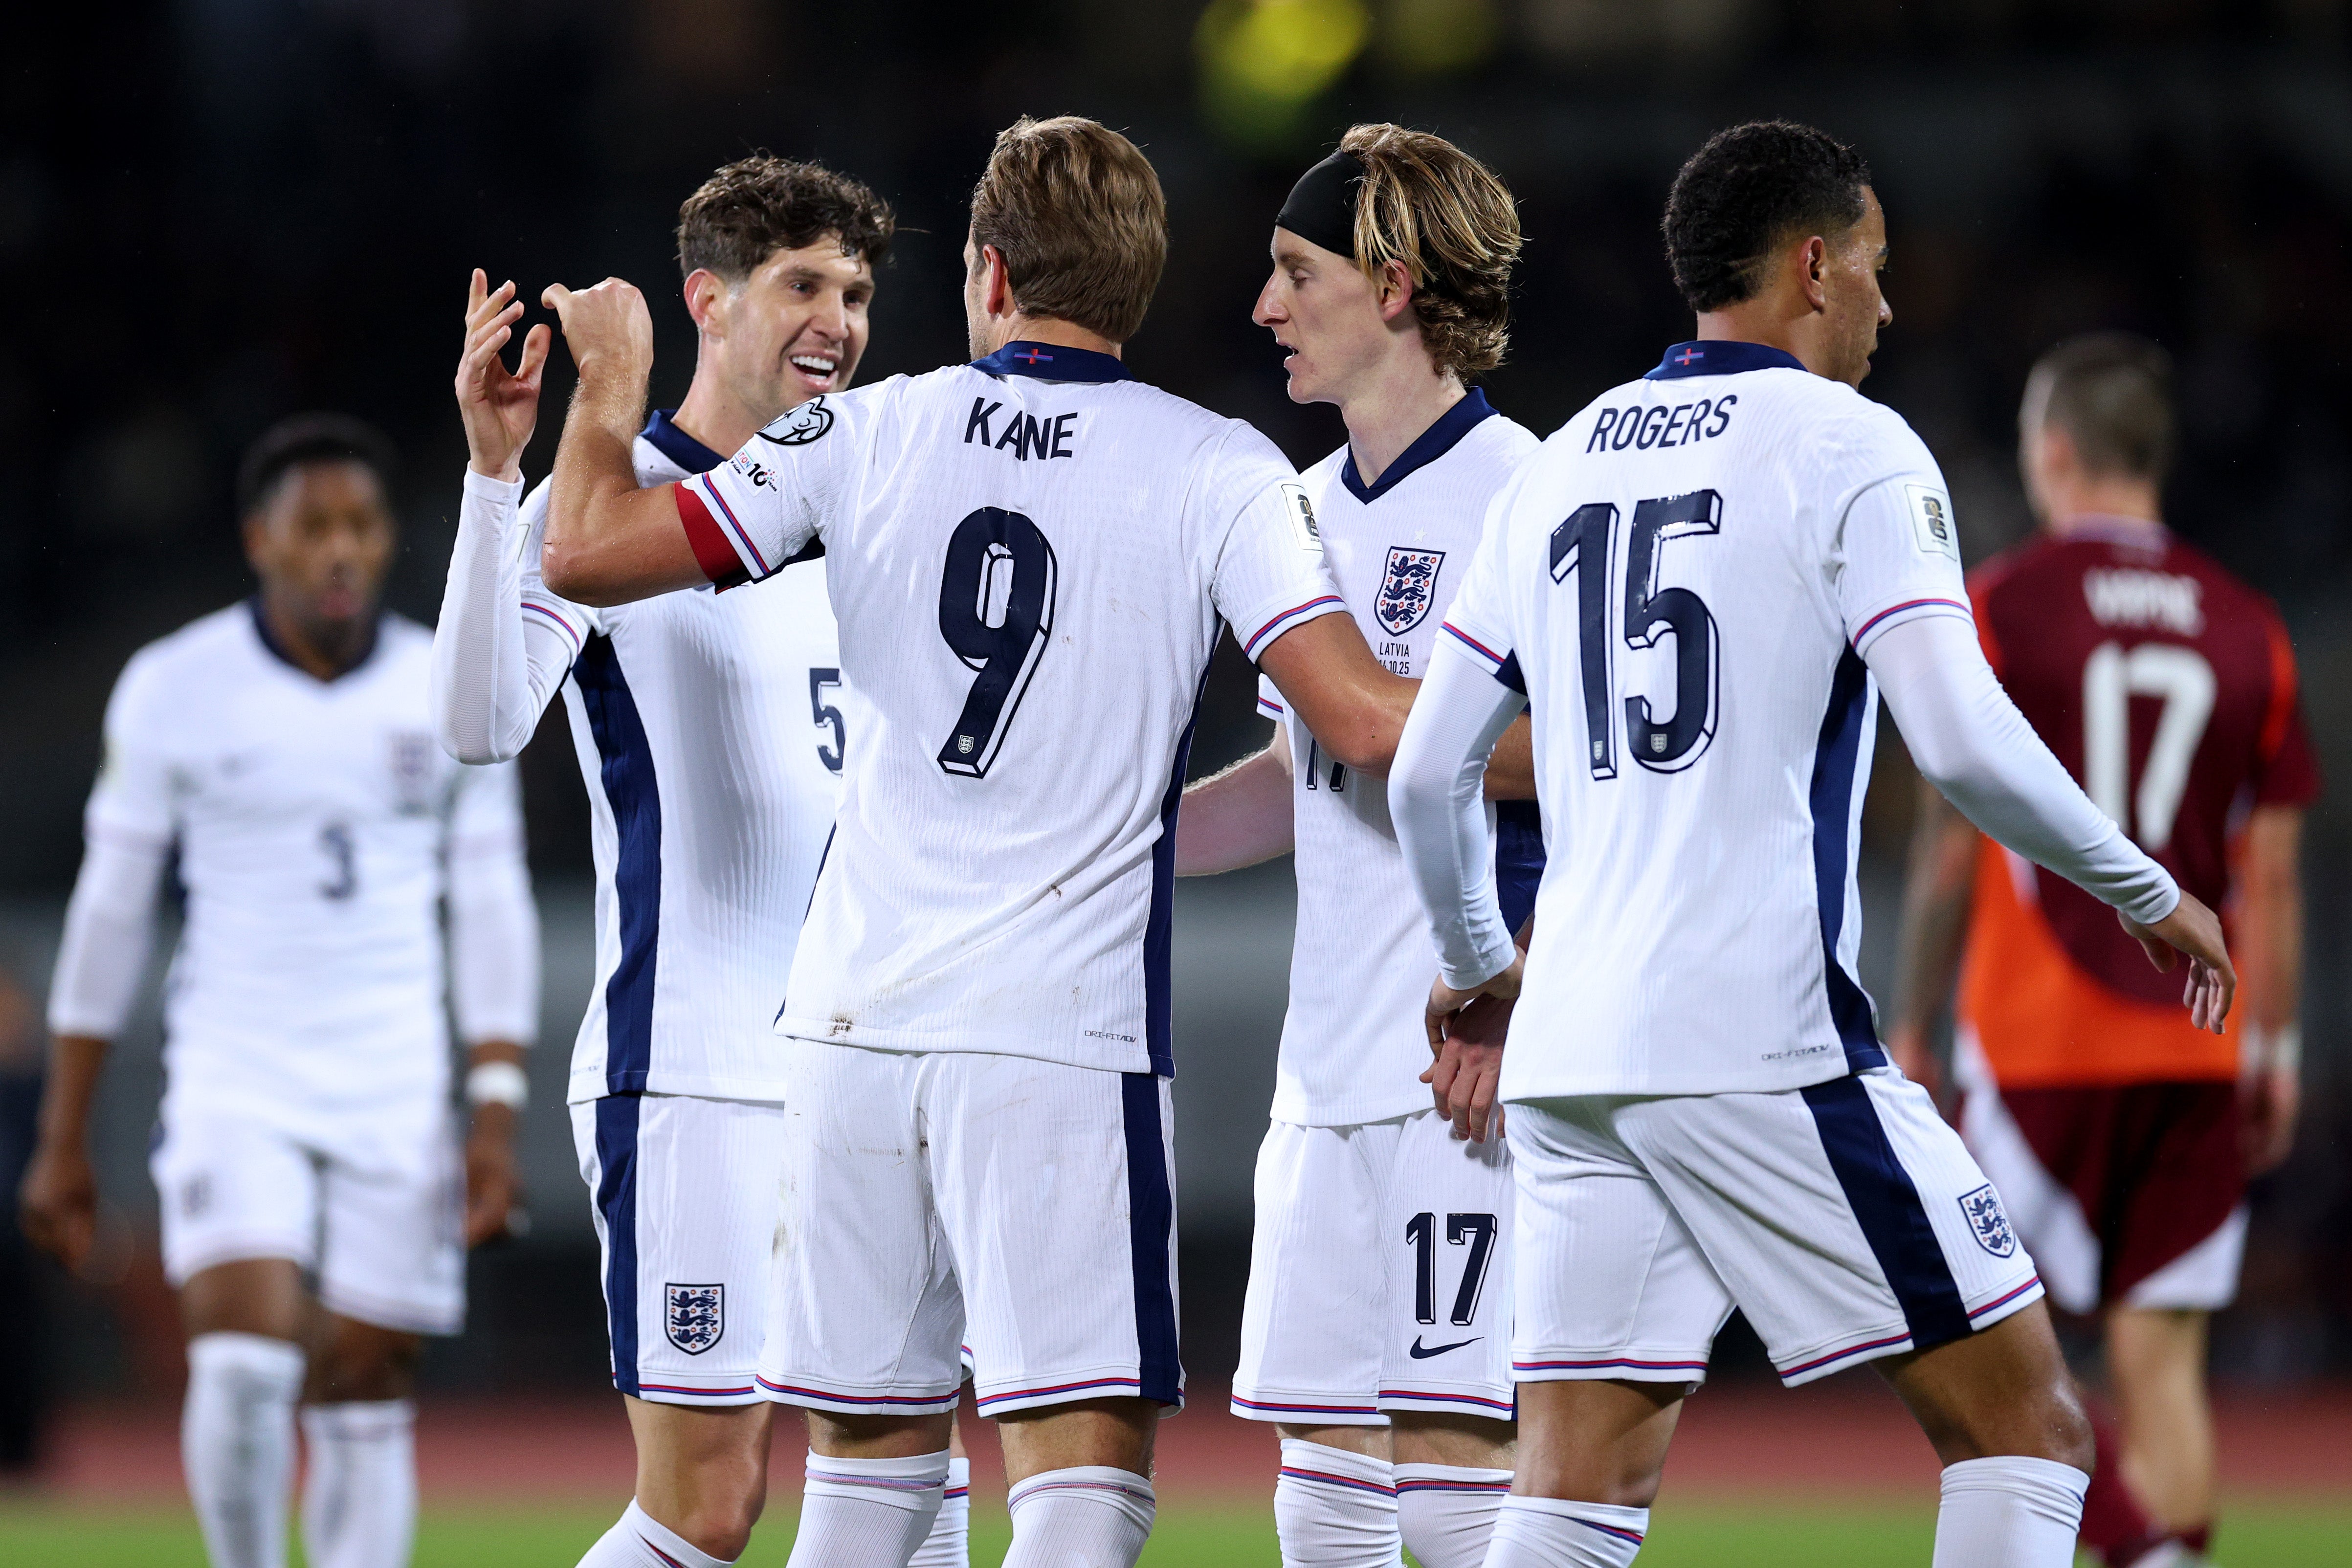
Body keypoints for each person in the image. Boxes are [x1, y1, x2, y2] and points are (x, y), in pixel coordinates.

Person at [522, 114, 1439, 1568]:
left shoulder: (860, 430)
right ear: (1139, 282)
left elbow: (582, 552)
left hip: (847, 1032)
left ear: (989, 270)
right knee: (1080, 1492)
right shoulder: (1221, 468)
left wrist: (606, 394)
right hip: (1057, 1041)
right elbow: (1366, 725)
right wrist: (1556, 737)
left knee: (866, 1493)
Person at [1386, 121, 2237, 1568]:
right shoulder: (1852, 448)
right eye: (1880, 270)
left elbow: (1425, 772)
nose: (1890, 308)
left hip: (1574, 1051)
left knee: (1575, 1484)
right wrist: (2146, 890)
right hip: (1761, 1035)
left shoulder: (1566, 453)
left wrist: (1481, 964)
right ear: (1814, 263)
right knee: (2031, 1433)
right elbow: (1960, 742)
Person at [436, 155, 972, 1568]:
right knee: (707, 1503)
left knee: (915, 1480)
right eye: (804, 283)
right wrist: (502, 474)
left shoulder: (863, 511)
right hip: (698, 1072)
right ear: (708, 302)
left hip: (865, 1069)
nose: (839, 319)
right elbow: (484, 725)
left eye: (856, 291)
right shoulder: (612, 508)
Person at [19, 415, 541, 1568]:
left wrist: (493, 1106)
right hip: (233, 1070)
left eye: (361, 524)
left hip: (395, 1077)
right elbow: (109, 911)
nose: (342, 550)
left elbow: (492, 903)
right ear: (261, 540)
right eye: (314, 527)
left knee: (366, 1384)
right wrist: (63, 1131)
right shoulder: (174, 687)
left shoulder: (442, 686)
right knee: (246, 1360)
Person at [1886, 332, 2317, 1568]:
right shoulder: (2251, 626)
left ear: (2056, 450)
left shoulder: (2002, 603)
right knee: (2162, 1358)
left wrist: (1913, 1021)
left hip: (2036, 1039)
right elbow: (2270, 874)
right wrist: (2272, 1047)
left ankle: (2129, 1549)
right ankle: (2161, 1549)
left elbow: (1950, 846)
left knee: (1953, 1339)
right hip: (2197, 1041)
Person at [1174, 123, 1537, 1568]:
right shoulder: (1300, 509)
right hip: (1321, 1074)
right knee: (1321, 1491)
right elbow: (1296, 773)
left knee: (1458, 1483)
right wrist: (1098, 840)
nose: (1265, 306)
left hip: (1471, 1067)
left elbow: (1601, 773)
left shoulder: (1534, 490)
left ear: (1392, 284)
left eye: (1294, 271)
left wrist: (1517, 986)